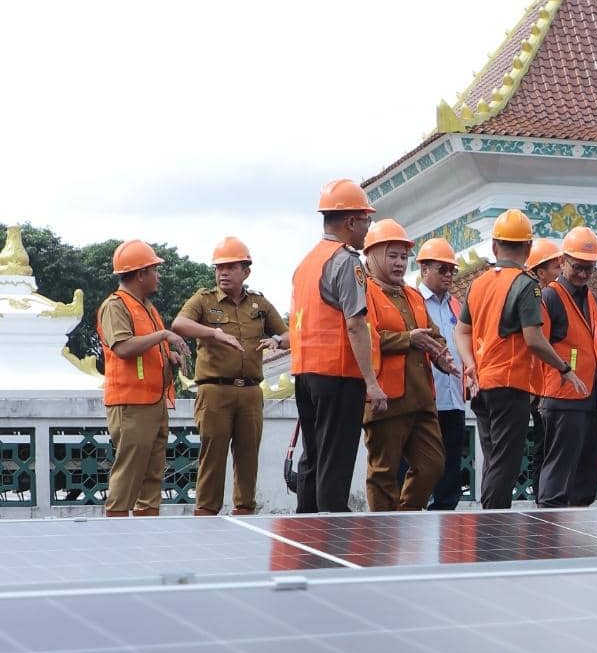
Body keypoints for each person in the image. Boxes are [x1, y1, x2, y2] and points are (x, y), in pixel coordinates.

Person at [454, 209, 587, 509]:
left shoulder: (478, 283)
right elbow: (534, 338)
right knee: (505, 462)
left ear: (494, 246)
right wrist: (564, 368)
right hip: (510, 385)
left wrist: (470, 365)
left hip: (482, 386)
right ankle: (493, 528)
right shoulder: (527, 285)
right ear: (528, 249)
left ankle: (488, 527)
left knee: (493, 459)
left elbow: (461, 331)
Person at [290, 179, 388, 513]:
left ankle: (305, 530)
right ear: (350, 222)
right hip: (338, 374)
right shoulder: (346, 262)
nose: (367, 228)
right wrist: (372, 382)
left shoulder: (306, 263)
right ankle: (331, 533)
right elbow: (355, 323)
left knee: (313, 456)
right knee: (336, 458)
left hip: (305, 373)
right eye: (365, 221)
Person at [172, 237, 287, 516]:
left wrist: (277, 341)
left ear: (245, 271)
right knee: (213, 456)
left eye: (230, 267)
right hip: (215, 391)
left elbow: (290, 334)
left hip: (250, 392)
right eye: (219, 268)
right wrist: (214, 332)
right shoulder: (204, 300)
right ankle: (206, 515)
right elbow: (179, 324)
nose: (222, 273)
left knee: (248, 457)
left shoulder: (258, 303)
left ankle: (245, 511)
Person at [362, 220, 457, 511]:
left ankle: (405, 516)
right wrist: (408, 339)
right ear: (372, 256)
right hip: (386, 400)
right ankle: (382, 535)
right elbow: (366, 337)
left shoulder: (413, 295)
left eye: (403, 257)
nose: (399, 263)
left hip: (421, 400)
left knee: (433, 465)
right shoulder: (364, 292)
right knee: (383, 473)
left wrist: (442, 358)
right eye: (392, 256)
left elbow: (432, 337)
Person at [96, 239, 190, 516]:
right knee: (128, 477)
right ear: (140, 274)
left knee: (152, 480)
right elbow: (123, 348)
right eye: (154, 270)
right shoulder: (115, 306)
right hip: (131, 405)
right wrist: (164, 335)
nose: (158, 276)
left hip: (153, 403)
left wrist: (168, 356)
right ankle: (115, 536)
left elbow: (145, 348)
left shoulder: (146, 307)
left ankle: (145, 535)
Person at [537, 226, 597, 507]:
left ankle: (578, 526)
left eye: (589, 269)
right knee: (558, 472)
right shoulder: (549, 296)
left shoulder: (593, 299)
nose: (584, 274)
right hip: (561, 396)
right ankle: (547, 529)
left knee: (585, 475)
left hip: (591, 396)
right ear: (562, 261)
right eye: (578, 267)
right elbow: (538, 343)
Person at [415, 237, 467, 510]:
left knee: (451, 465)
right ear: (424, 270)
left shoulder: (455, 306)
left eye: (451, 270)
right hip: (425, 398)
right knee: (420, 464)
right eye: (441, 269)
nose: (448, 275)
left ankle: (446, 514)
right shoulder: (413, 302)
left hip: (454, 398)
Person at [525, 236, 561, 501]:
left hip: (537, 386)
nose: (559, 272)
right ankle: (542, 498)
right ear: (539, 271)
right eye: (554, 266)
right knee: (543, 447)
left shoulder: (541, 297)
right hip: (536, 388)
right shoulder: (538, 297)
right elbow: (537, 345)